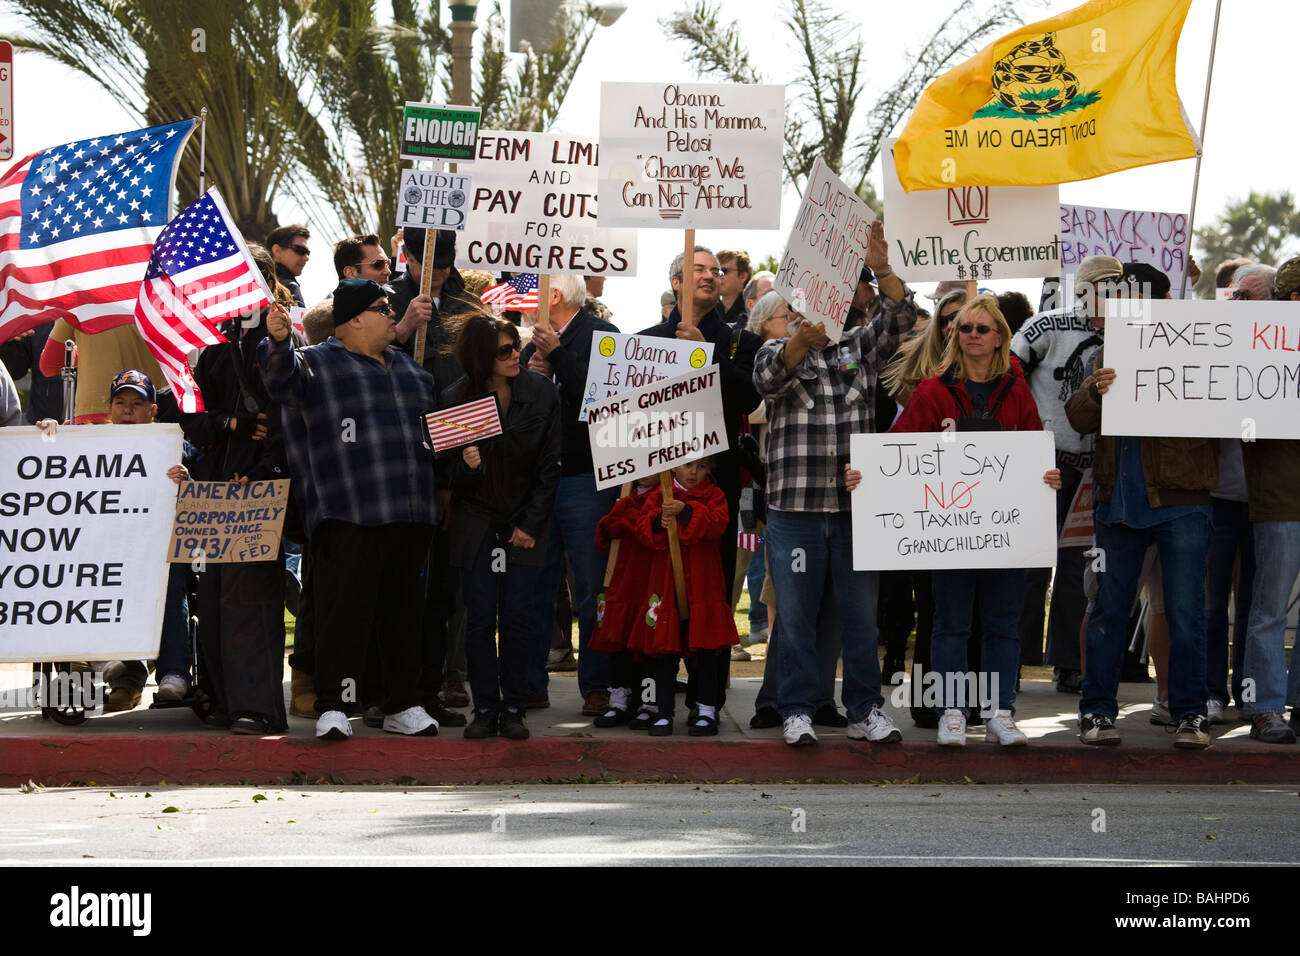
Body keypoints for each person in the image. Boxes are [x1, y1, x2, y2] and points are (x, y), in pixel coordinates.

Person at [259, 278, 442, 739]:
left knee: (403, 616)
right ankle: (334, 707)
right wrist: (280, 340)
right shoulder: (316, 365)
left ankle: (402, 704)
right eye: (383, 308)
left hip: (411, 513)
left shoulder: (413, 372)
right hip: (348, 512)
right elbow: (280, 379)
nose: (392, 315)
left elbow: (435, 436)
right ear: (354, 319)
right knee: (344, 615)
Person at [753, 219, 909, 747]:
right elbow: (770, 378)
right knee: (794, 617)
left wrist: (883, 268)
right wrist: (798, 341)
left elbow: (905, 320)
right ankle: (796, 709)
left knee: (860, 617)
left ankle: (866, 710)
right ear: (794, 305)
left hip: (853, 511)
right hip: (793, 512)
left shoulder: (861, 349)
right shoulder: (774, 351)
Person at [890, 295, 1061, 746]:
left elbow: (1033, 448)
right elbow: (897, 451)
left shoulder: (1017, 390)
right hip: (950, 533)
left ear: (1001, 336)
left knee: (1002, 625)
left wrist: (1047, 473)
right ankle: (952, 711)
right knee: (951, 624)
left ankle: (1000, 711)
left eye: (982, 329)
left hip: (1005, 533)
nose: (972, 335)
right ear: (953, 335)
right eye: (964, 328)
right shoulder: (932, 391)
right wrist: (863, 474)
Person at [1065, 345, 1217, 749]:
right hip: (1117, 505)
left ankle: (1189, 713)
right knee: (1107, 611)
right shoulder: (1108, 352)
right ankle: (1096, 711)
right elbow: (1077, 418)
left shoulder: (1197, 349)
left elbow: (1227, 413)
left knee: (1186, 613)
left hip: (1182, 501)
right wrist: (1096, 391)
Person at [639, 246, 763, 714]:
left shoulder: (738, 342)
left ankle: (707, 693)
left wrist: (703, 355)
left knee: (711, 588)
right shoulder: (646, 341)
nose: (710, 276)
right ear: (677, 283)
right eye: (699, 270)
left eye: (716, 270)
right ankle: (654, 693)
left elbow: (749, 399)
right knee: (658, 585)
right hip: (657, 487)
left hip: (716, 487)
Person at [181, 244, 297, 735]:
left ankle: (259, 706)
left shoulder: (283, 339)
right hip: (209, 491)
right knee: (212, 601)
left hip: (259, 490)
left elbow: (290, 412)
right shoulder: (206, 344)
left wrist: (265, 462)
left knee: (250, 599)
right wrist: (231, 423)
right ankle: (222, 698)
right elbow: (189, 418)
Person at [43, 370, 196, 713]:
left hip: (159, 551)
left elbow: (202, 497)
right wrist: (45, 437)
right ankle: (109, 660)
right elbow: (51, 468)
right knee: (82, 569)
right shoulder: (91, 444)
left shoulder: (174, 446)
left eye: (137, 404)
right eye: (120, 402)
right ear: (109, 408)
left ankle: (173, 673)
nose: (127, 410)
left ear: (152, 411)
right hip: (108, 547)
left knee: (171, 576)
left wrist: (188, 479)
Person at [442, 316, 561, 740]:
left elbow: (550, 466)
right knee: (478, 621)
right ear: (480, 358)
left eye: (516, 346)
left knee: (517, 618)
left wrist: (531, 524)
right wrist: (468, 467)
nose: (516, 355)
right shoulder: (455, 399)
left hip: (524, 522)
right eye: (504, 350)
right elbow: (447, 477)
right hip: (476, 523)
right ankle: (484, 709)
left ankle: (513, 707)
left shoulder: (539, 391)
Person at [1011, 255, 1119, 695]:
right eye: (1103, 285)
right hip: (1043, 460)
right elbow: (1009, 373)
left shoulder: (1133, 332)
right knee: (1030, 562)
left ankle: (1069, 663)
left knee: (1080, 566)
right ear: (1084, 289)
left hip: (1094, 464)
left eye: (1117, 286)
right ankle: (1012, 658)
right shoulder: (1046, 325)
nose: (1110, 294)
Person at [518, 274, 621, 714]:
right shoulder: (530, 347)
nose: (527, 297)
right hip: (540, 483)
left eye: (535, 289)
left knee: (592, 586)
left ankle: (597, 685)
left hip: (587, 478)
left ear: (553, 296)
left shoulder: (603, 336)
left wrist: (557, 358)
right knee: (536, 587)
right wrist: (530, 376)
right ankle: (529, 683)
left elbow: (603, 399)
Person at [626, 458, 738, 735]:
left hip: (702, 586)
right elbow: (642, 531)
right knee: (665, 652)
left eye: (702, 467)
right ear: (673, 466)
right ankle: (664, 712)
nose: (694, 472)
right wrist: (657, 521)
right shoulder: (659, 497)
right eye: (688, 465)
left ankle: (706, 710)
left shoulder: (715, 495)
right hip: (666, 587)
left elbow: (717, 525)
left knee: (705, 652)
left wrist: (687, 512)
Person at [1239, 257, 1300, 743]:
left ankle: (1292, 704)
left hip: (1279, 493)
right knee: (1269, 609)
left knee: (1270, 608)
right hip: (1278, 496)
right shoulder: (1261, 344)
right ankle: (1264, 706)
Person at [589, 475, 661, 727]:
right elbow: (605, 533)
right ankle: (620, 701)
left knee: (648, 646)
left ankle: (649, 704)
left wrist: (626, 517)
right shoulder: (625, 496)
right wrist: (618, 518)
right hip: (622, 581)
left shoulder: (667, 497)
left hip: (650, 581)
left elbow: (649, 530)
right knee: (618, 642)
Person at [266, 224, 311, 307]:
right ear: (277, 251)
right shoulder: (290, 287)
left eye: (308, 253)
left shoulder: (252, 287)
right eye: (300, 250)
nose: (306, 257)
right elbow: (297, 320)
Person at [717, 249, 752, 329]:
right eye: (716, 271)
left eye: (724, 271)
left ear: (743, 276)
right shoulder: (708, 310)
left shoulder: (752, 310)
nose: (719, 275)